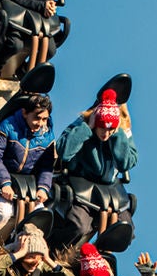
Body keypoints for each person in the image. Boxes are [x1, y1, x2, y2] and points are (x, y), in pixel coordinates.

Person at [54, 87, 137, 242]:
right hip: (82, 184)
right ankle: (56, 247)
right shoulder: (83, 122)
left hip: (110, 187)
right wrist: (86, 128)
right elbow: (63, 151)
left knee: (126, 231)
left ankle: (100, 256)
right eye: (102, 128)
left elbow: (128, 162)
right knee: (79, 227)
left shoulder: (120, 130)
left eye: (109, 129)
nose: (105, 133)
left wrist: (117, 135)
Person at [0, 90, 58, 243]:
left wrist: (43, 187)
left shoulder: (47, 135)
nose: (40, 123)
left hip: (28, 184)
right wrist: (5, 182)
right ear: (25, 113)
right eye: (37, 118)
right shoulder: (8, 126)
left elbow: (46, 166)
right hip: (5, 178)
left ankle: (24, 248)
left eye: (45, 119)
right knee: (3, 212)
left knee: (39, 214)